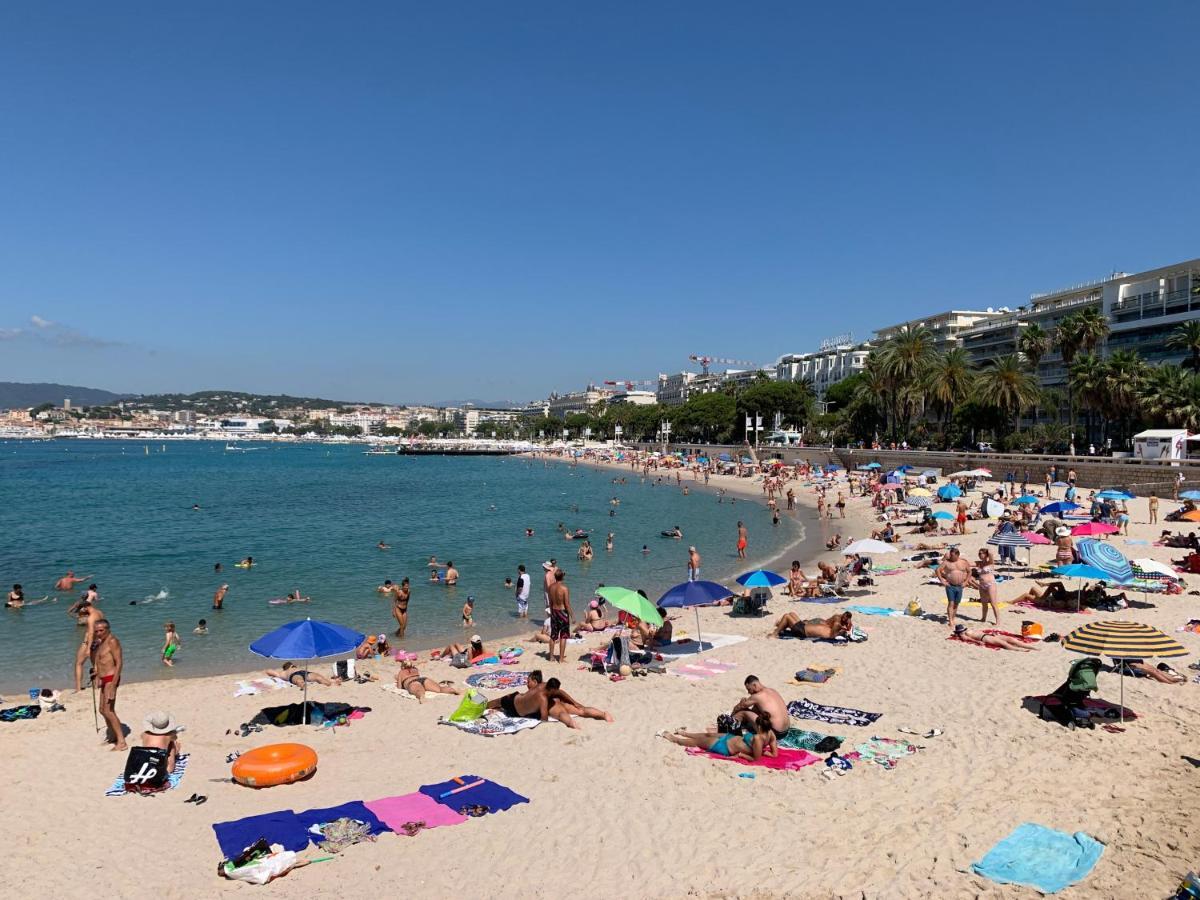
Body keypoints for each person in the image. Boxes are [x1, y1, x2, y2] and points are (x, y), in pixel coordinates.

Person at [659, 711, 778, 762]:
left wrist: (741, 754)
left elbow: (756, 759)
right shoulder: (771, 733)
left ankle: (672, 738)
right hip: (729, 737)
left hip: (724, 746)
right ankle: (684, 733)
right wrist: (764, 752)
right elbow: (774, 754)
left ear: (760, 726)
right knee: (708, 734)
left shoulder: (757, 738)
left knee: (696, 742)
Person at [90, 619, 126, 750]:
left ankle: (121, 742)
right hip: (104, 678)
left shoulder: (112, 641)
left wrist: (113, 685)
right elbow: (100, 661)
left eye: (101, 630)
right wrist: (97, 674)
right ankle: (113, 736)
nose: (98, 633)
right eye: (96, 631)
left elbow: (119, 663)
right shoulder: (100, 643)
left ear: (108, 629)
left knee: (109, 710)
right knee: (102, 710)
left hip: (111, 679)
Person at [543, 677, 613, 728]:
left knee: (562, 714)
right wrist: (574, 702)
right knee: (581, 710)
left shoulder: (542, 693)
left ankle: (572, 723)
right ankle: (603, 714)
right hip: (561, 703)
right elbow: (561, 692)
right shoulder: (554, 691)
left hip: (555, 705)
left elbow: (543, 716)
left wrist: (574, 702)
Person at [73, 596, 105, 691]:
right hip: (98, 641)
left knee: (79, 663)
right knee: (95, 663)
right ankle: (96, 686)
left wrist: (88, 648)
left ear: (85, 607)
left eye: (81, 610)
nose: (81, 612)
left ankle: (78, 689)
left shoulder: (91, 618)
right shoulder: (100, 613)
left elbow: (91, 633)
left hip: (88, 642)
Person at [935, 547, 971, 630]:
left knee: (956, 604)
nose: (951, 557)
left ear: (957, 555)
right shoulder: (947, 562)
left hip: (960, 586)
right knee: (951, 603)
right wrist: (942, 580)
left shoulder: (963, 562)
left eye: (952, 555)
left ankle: (953, 618)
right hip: (950, 585)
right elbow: (937, 570)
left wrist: (966, 582)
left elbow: (969, 571)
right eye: (950, 555)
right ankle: (950, 620)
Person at [396, 660, 461, 702]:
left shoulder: (401, 672)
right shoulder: (415, 669)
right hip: (423, 679)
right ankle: (454, 690)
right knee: (439, 689)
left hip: (413, 682)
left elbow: (399, 687)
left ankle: (422, 697)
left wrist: (400, 680)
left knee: (419, 691)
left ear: (402, 667)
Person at [969, 549, 1001, 626]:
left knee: (993, 603)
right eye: (979, 553)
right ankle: (983, 618)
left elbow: (991, 553)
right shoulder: (978, 563)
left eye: (981, 553)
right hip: (982, 585)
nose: (980, 555)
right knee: (984, 604)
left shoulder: (990, 562)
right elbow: (968, 563)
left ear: (986, 555)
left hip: (990, 584)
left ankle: (998, 620)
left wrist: (987, 551)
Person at [770, 611, 852, 640]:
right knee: (792, 613)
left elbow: (838, 626)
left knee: (786, 616)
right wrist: (846, 626)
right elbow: (845, 628)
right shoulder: (833, 628)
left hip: (802, 631)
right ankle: (782, 625)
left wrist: (845, 626)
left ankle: (775, 634)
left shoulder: (833, 631)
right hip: (803, 627)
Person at [548, 568, 572, 663]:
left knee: (553, 635)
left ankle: (551, 657)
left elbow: (550, 602)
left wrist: (551, 612)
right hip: (562, 613)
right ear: (562, 577)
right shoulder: (564, 588)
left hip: (554, 611)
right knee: (563, 635)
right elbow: (567, 604)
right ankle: (561, 659)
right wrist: (572, 616)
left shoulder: (550, 587)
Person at [952, 624, 1039, 651]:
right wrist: (977, 642)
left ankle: (1032, 647)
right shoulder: (963, 635)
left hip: (989, 635)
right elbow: (967, 639)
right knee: (1004, 643)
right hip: (985, 638)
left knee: (1011, 639)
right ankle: (1021, 650)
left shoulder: (965, 632)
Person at [266, 662, 341, 688]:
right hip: (300, 673)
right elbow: (269, 671)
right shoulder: (285, 671)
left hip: (300, 673)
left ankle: (329, 684)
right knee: (300, 680)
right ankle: (330, 683)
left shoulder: (283, 672)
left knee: (318, 677)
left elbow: (269, 671)